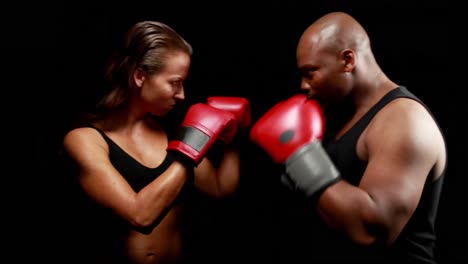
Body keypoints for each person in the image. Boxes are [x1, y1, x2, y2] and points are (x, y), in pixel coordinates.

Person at [249, 11, 446, 263]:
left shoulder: (404, 121)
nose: (303, 86)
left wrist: (300, 156)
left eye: (310, 72)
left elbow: (371, 231)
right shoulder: (345, 113)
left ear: (347, 60)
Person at [60, 20, 250, 264]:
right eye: (174, 82)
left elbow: (218, 189)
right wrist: (192, 147)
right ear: (140, 76)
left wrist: (234, 135)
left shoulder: (174, 134)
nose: (182, 95)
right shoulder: (84, 140)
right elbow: (140, 215)